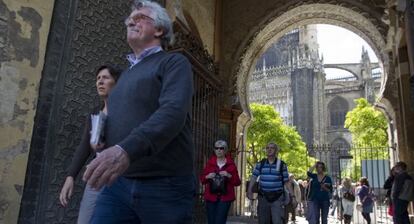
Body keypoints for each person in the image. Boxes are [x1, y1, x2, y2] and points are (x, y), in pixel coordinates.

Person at [82, 1, 195, 223]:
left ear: (160, 29)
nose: (131, 20)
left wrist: (125, 150)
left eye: (141, 17)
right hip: (118, 184)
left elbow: (173, 113)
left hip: (165, 185)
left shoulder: (173, 63)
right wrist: (103, 140)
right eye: (130, 18)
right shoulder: (124, 77)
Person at [58, 65, 122, 224]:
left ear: (116, 82)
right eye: (98, 78)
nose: (100, 82)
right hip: (98, 176)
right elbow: (85, 146)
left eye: (105, 78)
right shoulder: (96, 112)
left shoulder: (125, 111)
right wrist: (71, 176)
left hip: (121, 176)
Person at [246, 142, 296, 224]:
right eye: (267, 148)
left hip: (277, 197)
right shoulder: (260, 164)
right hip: (263, 197)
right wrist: (249, 190)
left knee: (277, 221)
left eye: (272, 148)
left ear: (276, 151)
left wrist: (293, 197)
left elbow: (287, 182)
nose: (269, 149)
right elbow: (254, 177)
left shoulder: (281, 165)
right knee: (263, 221)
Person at [200, 140, 241, 224]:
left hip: (225, 198)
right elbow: (202, 179)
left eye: (221, 148)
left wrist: (229, 175)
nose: (218, 150)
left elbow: (237, 182)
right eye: (216, 148)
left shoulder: (231, 164)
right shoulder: (210, 163)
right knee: (211, 221)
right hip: (211, 197)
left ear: (225, 150)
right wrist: (208, 176)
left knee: (220, 221)